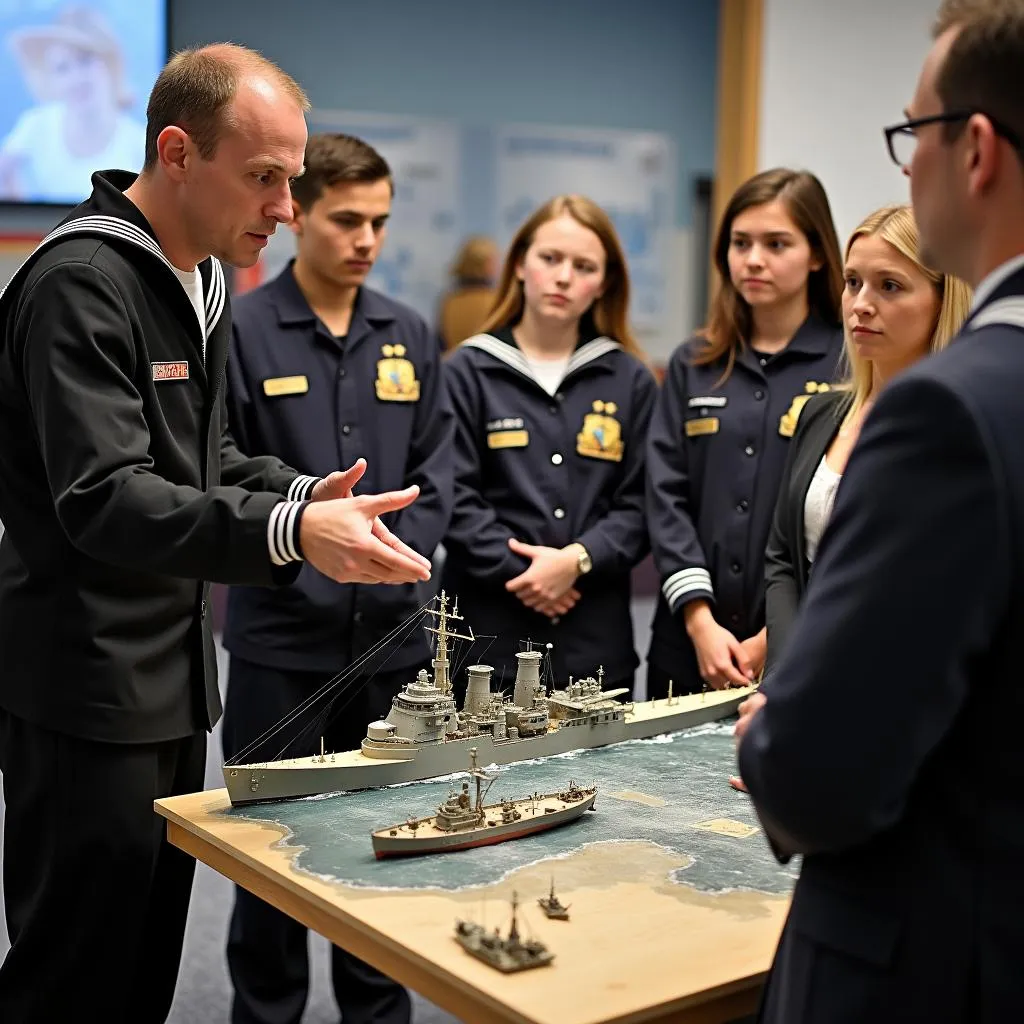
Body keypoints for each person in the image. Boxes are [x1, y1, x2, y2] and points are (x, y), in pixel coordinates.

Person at [0, 45, 431, 1024]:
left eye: (292, 178)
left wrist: (306, 492)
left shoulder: (197, 278)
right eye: (266, 177)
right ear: (177, 152)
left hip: (171, 685)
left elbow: (208, 457)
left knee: (144, 964)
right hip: (85, 691)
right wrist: (288, 530)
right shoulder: (83, 281)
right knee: (72, 975)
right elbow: (105, 496)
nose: (286, 207)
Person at [737, 1, 1024, 1019]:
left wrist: (763, 743)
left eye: (913, 135)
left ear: (976, 150)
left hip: (934, 953)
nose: (905, 166)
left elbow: (817, 777)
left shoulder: (948, 411)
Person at [223, 132, 453, 1024]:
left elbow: (439, 470)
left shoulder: (410, 331)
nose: (366, 240)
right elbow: (224, 465)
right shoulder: (241, 329)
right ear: (300, 215)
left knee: (383, 856)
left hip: (393, 648)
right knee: (271, 860)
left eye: (380, 223)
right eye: (347, 220)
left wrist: (399, 560)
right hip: (282, 640)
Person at [442, 195, 656, 693]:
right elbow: (453, 497)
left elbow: (641, 504)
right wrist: (530, 571)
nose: (563, 277)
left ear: (604, 283)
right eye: (550, 258)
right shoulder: (466, 371)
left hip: (595, 646)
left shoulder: (630, 379)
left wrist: (576, 560)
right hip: (485, 644)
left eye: (584, 266)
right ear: (519, 264)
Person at [645, 168, 844, 699]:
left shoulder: (850, 363)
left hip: (797, 641)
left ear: (818, 254)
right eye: (740, 243)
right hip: (686, 640)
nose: (753, 259)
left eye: (777, 244)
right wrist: (699, 621)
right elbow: (665, 495)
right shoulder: (694, 361)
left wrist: (774, 632)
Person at [764, 204, 972, 672]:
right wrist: (788, 675)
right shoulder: (821, 413)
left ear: (942, 300)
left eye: (889, 286)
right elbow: (782, 557)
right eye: (853, 282)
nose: (861, 303)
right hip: (800, 680)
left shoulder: (957, 430)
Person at [0, 5, 146, 202]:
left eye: (85, 61)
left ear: (109, 63)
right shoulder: (36, 124)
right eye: (62, 68)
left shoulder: (138, 143)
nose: (75, 78)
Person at [437, 235, 499, 351]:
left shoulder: (449, 301)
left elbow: (440, 342)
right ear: (485, 265)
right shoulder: (495, 301)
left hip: (452, 365)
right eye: (494, 261)